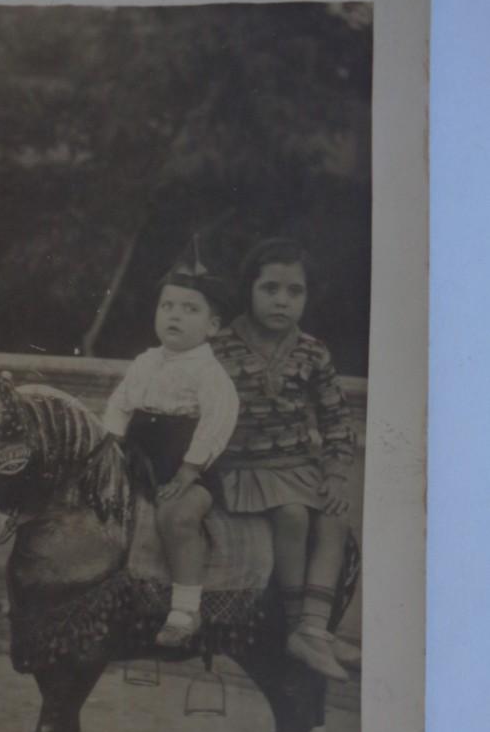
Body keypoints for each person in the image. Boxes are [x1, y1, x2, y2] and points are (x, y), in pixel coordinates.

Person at [214, 238, 355, 681]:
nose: (282, 300)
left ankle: (315, 626)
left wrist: (334, 472)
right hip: (242, 466)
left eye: (295, 292)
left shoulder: (312, 351)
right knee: (293, 514)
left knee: (335, 516)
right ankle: (295, 627)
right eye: (270, 288)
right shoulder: (220, 346)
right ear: (249, 290)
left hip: (298, 465)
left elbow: (336, 417)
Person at [103, 266, 239, 648]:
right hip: (136, 458)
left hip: (188, 466)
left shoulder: (210, 373)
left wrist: (188, 471)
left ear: (212, 326)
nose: (175, 315)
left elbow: (217, 422)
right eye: (167, 306)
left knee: (176, 517)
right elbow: (120, 404)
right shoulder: (145, 361)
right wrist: (110, 442)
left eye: (190, 309)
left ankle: (185, 609)